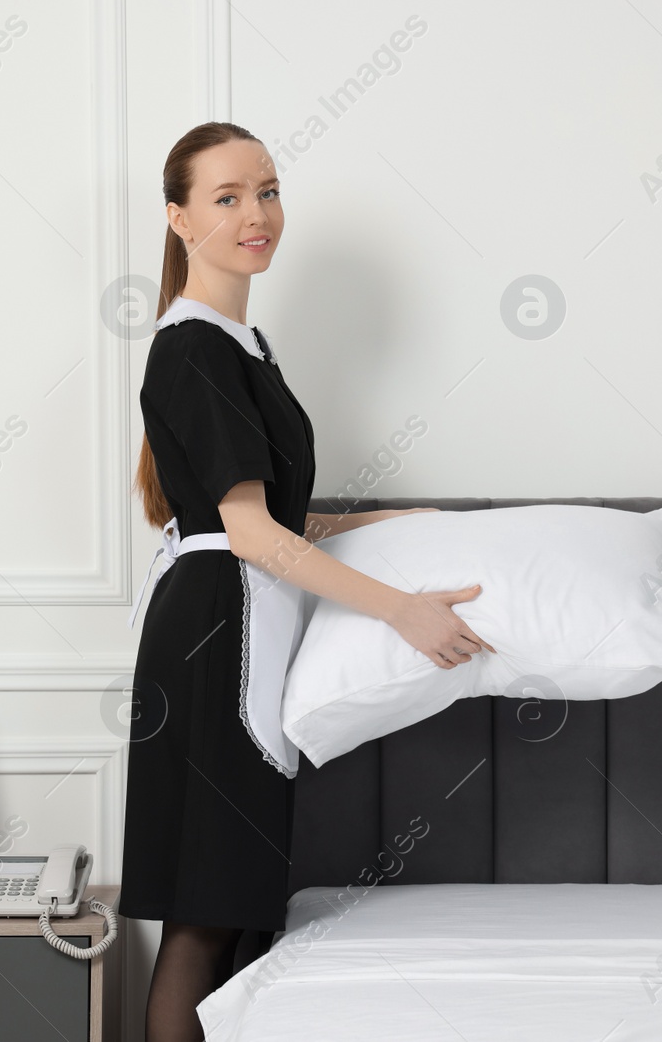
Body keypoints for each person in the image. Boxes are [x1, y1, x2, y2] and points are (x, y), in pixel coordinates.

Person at [121, 121, 497, 1042]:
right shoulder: (194, 347)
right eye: (228, 197)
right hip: (217, 641)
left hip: (240, 625)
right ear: (179, 219)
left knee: (240, 916)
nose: (257, 214)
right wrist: (401, 609)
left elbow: (285, 521)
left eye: (269, 190)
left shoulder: (245, 349)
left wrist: (405, 528)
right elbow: (247, 532)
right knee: (206, 920)